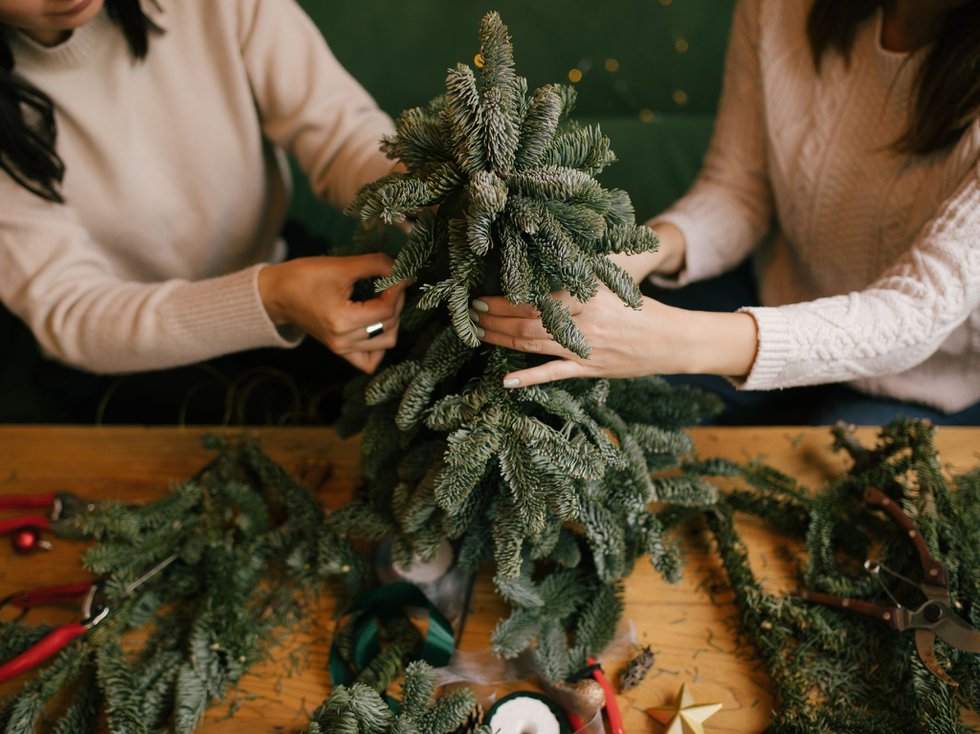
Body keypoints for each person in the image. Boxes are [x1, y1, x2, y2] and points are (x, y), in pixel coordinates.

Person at [471, 0, 980, 425]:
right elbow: (740, 187)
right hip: (773, 293)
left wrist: (675, 340)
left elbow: (916, 313)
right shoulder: (779, 8)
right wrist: (635, 255)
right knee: (600, 408)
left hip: (926, 379)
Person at [0, 0, 408, 421]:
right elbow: (72, 310)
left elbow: (342, 138)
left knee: (395, 352)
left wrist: (413, 181)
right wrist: (270, 299)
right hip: (126, 353)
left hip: (283, 269)